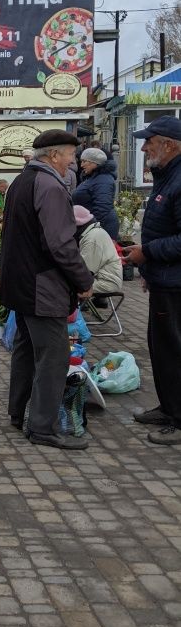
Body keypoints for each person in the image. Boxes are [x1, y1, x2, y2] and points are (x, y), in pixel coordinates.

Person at [0, 130, 93, 450]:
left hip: (20, 283)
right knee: (54, 356)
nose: (74, 163)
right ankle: (42, 428)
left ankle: (17, 412)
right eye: (70, 156)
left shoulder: (22, 180)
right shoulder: (50, 186)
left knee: (26, 351)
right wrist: (83, 280)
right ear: (54, 156)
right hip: (41, 286)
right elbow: (61, 245)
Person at [124, 116, 181, 445]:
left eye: (150, 142)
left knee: (173, 349)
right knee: (160, 350)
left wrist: (148, 253)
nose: (144, 147)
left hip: (176, 286)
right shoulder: (167, 176)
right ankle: (169, 406)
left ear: (170, 145)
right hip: (164, 280)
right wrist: (149, 267)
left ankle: (178, 417)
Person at [73, 206, 123, 294]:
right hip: (101, 278)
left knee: (63, 287)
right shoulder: (91, 233)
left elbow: (84, 271)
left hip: (106, 282)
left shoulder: (92, 238)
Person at [71, 148, 119, 239]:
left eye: (85, 161)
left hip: (101, 228)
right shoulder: (93, 177)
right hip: (93, 227)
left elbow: (102, 208)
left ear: (95, 162)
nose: (81, 165)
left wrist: (92, 229)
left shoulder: (103, 179)